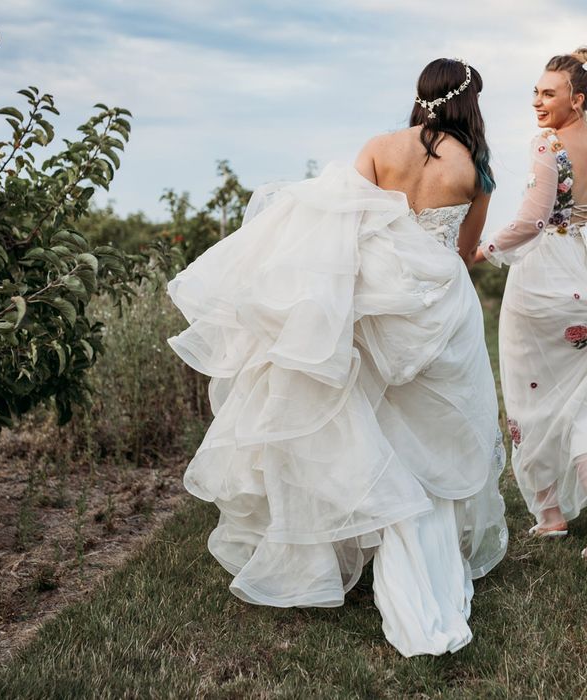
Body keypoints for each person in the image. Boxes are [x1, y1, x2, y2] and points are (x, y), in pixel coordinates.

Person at [167, 58, 507, 657]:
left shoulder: (380, 147)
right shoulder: (474, 169)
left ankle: (360, 544)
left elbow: (335, 225)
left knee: (365, 423)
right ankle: (418, 555)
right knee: (429, 433)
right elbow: (463, 249)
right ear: (467, 103)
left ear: (421, 94)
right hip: (437, 309)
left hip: (373, 303)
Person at [476, 48, 587, 553]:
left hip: (544, 277)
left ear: (577, 100)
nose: (538, 103)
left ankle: (550, 514)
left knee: (528, 394)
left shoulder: (548, 146)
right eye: (535, 93)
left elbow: (534, 219)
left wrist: (486, 248)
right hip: (583, 270)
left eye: (550, 94)